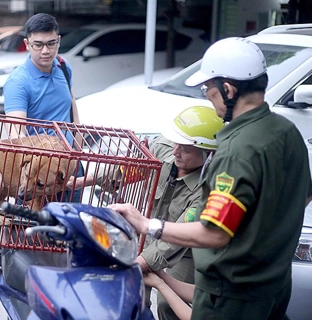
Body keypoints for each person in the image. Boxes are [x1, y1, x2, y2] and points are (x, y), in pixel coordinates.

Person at [110, 37, 312, 320]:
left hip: (231, 296)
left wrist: (147, 224)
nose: (207, 96)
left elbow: (214, 233)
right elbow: (302, 196)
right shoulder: (288, 133)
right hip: (274, 286)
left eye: (208, 89)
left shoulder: (237, 149)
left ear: (227, 90)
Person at [72, 106, 225, 320]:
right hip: (146, 234)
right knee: (132, 294)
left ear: (209, 154)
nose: (175, 151)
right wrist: (78, 182)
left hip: (185, 250)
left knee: (169, 305)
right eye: (175, 142)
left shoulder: (211, 188)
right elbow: (126, 169)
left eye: (185, 148)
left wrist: (139, 264)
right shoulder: (163, 149)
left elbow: (176, 239)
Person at [3, 13, 83, 202]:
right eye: (38, 45)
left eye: (51, 43)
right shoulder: (18, 81)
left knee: (70, 227)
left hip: (70, 165)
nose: (45, 50)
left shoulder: (64, 67)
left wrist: (78, 152)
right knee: (32, 229)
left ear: (59, 41)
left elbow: (72, 108)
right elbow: (16, 131)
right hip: (38, 173)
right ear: (27, 44)